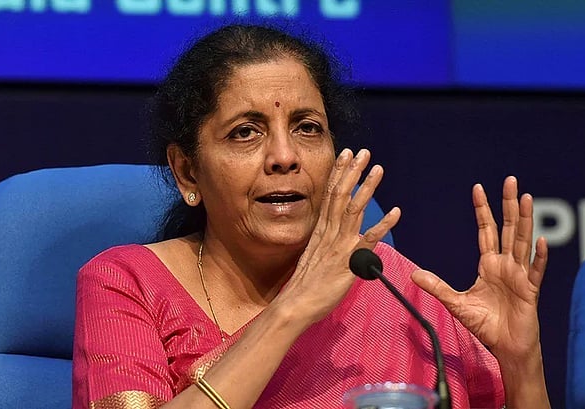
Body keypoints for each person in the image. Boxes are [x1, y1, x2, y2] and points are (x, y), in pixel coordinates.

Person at [72, 24, 551, 409]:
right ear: (187, 171)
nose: (284, 156)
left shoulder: (391, 287)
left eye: (307, 128)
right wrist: (294, 307)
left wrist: (520, 361)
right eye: (245, 132)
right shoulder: (125, 282)